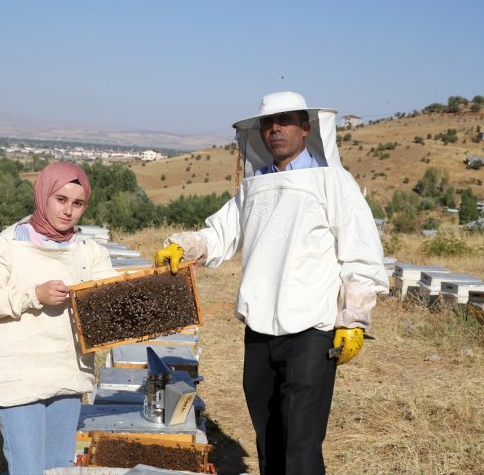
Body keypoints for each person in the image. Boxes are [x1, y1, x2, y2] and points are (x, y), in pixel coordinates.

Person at [155, 91, 388, 475]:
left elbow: (361, 256)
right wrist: (186, 246)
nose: (275, 129)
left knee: (300, 444)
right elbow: (219, 234)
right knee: (269, 437)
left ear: (306, 128)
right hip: (260, 329)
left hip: (313, 330)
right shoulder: (255, 185)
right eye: (268, 123)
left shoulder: (334, 182)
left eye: (285, 121)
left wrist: (353, 320)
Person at [0, 162, 117, 475]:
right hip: (18, 375)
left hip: (67, 374)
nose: (69, 211)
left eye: (78, 204)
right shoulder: (7, 245)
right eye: (61, 200)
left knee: (59, 469)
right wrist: (33, 294)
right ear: (43, 195)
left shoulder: (90, 252)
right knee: (29, 470)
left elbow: (114, 298)